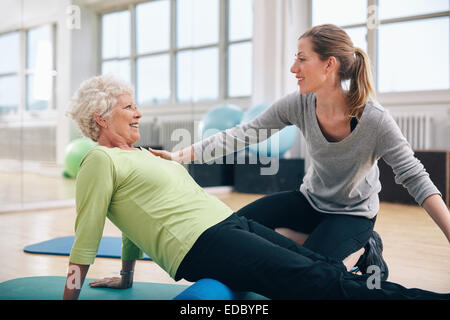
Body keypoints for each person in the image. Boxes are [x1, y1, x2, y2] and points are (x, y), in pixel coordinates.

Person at [62, 74, 449, 300]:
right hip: (202, 246)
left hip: (229, 226)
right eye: (128, 107)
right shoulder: (100, 160)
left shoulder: (143, 154)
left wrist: (128, 277)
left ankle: (368, 257)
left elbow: (133, 223)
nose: (139, 113)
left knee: (321, 269)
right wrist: (71, 295)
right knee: (317, 281)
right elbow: (87, 235)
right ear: (100, 116)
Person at [150, 24, 450, 280]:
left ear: (329, 65)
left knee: (307, 275)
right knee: (231, 230)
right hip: (309, 201)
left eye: (302, 59)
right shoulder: (299, 104)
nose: (294, 68)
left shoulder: (375, 119)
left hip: (352, 214)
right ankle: (303, 239)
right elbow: (245, 134)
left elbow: (415, 177)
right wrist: (180, 157)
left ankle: (365, 249)